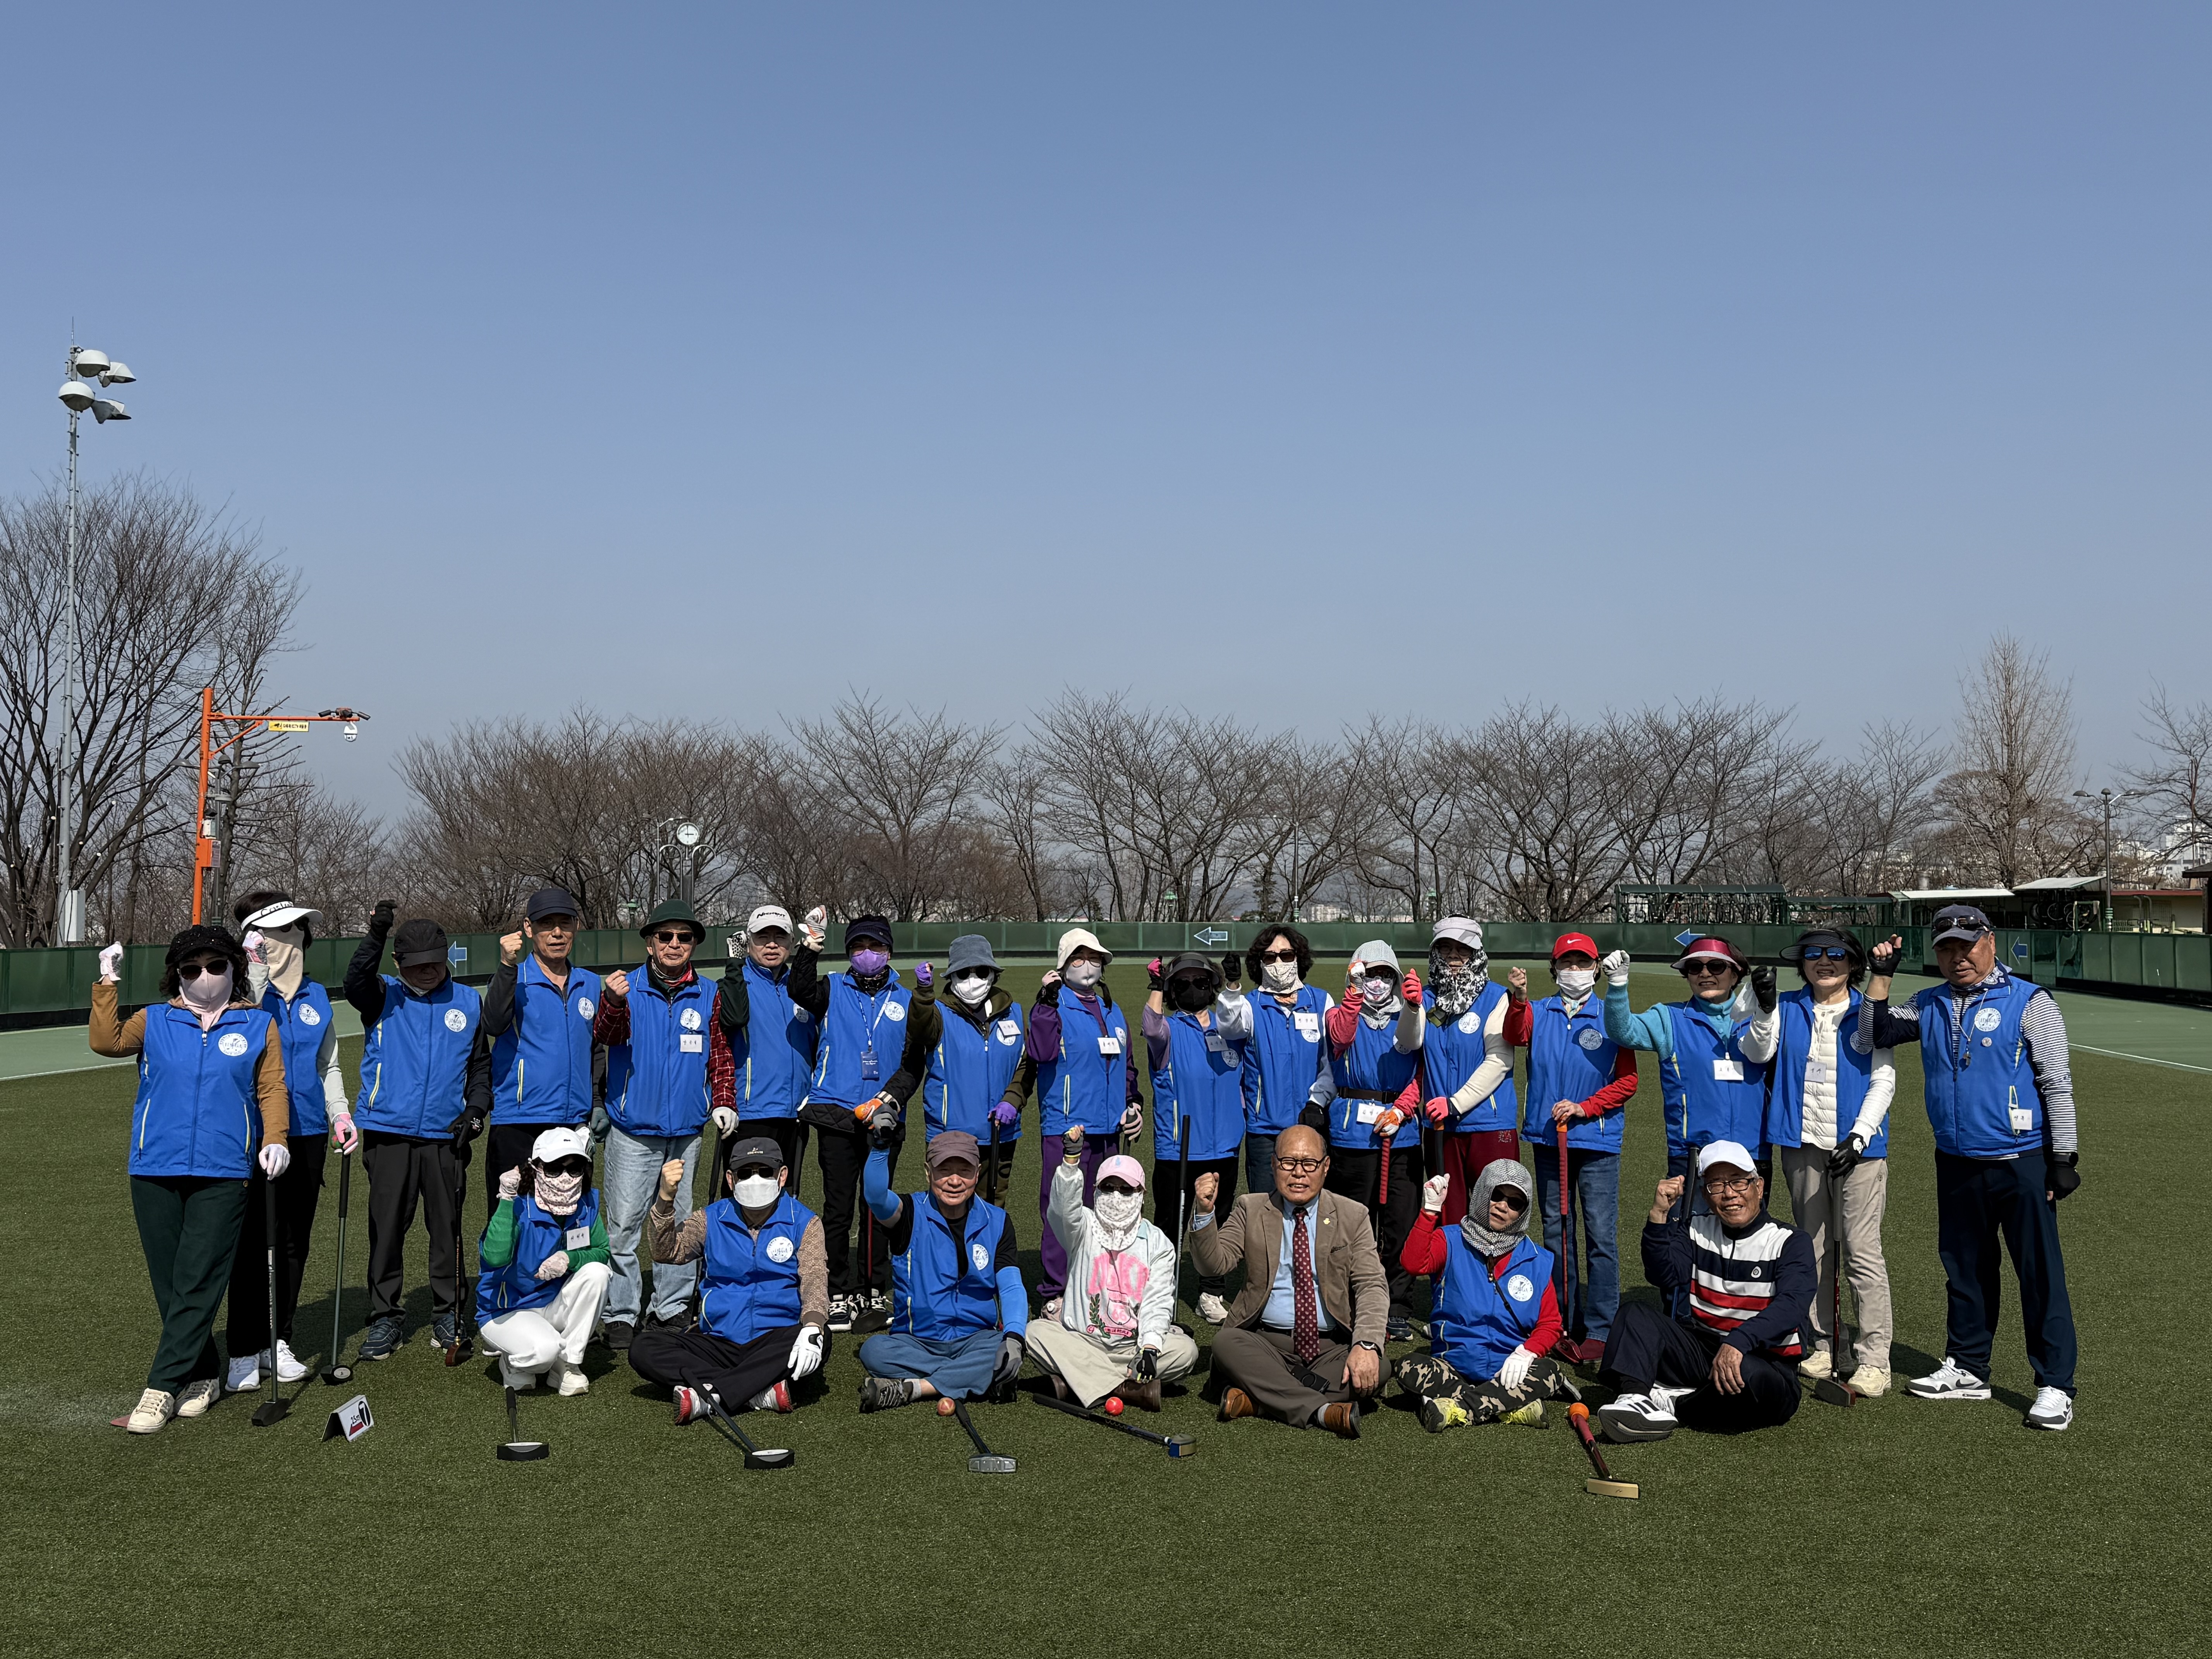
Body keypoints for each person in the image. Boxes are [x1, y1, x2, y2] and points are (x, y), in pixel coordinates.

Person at [1861, 908, 2082, 1430]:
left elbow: (2056, 1081)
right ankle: (1968, 1368)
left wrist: (2064, 1158)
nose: (1957, 957)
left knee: (2039, 1275)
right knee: (1964, 1270)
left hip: (2022, 1161)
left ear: (1990, 942)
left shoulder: (2031, 1001)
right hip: (1957, 1161)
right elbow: (1874, 1034)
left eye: (1967, 946)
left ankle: (2055, 1384)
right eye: (1946, 949)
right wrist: (1882, 976)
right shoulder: (1929, 1002)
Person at [93, 927, 289, 1433]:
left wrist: (276, 1138)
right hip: (154, 1166)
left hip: (225, 1170)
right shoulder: (154, 1020)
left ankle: (161, 1388)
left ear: (234, 969)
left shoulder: (258, 1023)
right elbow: (106, 1042)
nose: (205, 976)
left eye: (216, 966)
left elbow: (271, 1088)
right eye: (191, 968)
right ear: (176, 976)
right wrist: (108, 980)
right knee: (170, 1283)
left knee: (199, 1278)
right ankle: (202, 1375)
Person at [1740, 928, 1896, 1397]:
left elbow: (1884, 1079)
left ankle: (1875, 1359)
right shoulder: (1786, 1007)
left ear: (1854, 964)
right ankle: (1825, 1345)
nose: (1824, 962)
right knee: (1812, 1250)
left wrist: (1860, 1135)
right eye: (1813, 954)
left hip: (1858, 1151)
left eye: (1836, 955)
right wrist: (1764, 1007)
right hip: (1801, 1145)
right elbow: (1757, 1052)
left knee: (1862, 1252)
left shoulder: (1869, 1009)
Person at [344, 901, 491, 1360]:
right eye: (417, 964)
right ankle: (385, 1316)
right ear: (398, 963)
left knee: (447, 1229)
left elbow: (480, 1069)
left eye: (435, 962)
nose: (429, 971)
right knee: (387, 1229)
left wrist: (475, 1112)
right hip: (389, 1131)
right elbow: (354, 981)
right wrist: (375, 935)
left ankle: (448, 1312)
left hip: (447, 1137)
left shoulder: (468, 1001)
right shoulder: (381, 994)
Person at [592, 897, 739, 1353]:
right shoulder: (626, 988)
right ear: (650, 943)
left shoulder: (709, 993)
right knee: (624, 1225)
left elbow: (720, 1055)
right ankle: (621, 1312)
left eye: (684, 937)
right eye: (665, 936)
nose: (675, 944)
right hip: (633, 1130)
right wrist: (612, 1003)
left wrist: (723, 1101)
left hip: (687, 1132)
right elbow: (607, 1035)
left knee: (678, 1222)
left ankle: (671, 1306)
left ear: (694, 944)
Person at [1596, 1141, 1814, 1442]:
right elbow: (1664, 1275)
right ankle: (1634, 1398)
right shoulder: (1696, 1229)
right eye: (1716, 1185)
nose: (1729, 1194)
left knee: (1747, 1374)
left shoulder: (1791, 1241)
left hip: (1767, 1363)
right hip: (1703, 1352)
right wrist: (1659, 1215)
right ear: (1705, 1194)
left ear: (1759, 1187)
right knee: (1635, 1314)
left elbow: (1791, 1307)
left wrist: (1739, 1342)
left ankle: (1674, 1403)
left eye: (1739, 1182)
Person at [223, 896, 353, 1392]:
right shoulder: (242, 994)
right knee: (253, 1244)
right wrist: (255, 970)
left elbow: (328, 1064)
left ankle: (278, 1339)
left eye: (299, 929)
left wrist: (340, 1113)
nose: (294, 938)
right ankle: (244, 1347)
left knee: (294, 1242)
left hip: (310, 1134)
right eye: (283, 930)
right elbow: (250, 1028)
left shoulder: (317, 995)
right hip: (256, 1136)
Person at [1187, 1123, 1389, 1439]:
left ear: (1325, 1167)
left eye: (1309, 1163)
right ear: (1273, 1165)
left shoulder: (1353, 1215)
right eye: (1288, 1163)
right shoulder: (1250, 1208)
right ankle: (1323, 1411)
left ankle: (1258, 1401)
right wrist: (1204, 1213)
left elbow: (1371, 1285)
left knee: (1379, 1366)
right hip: (1267, 1344)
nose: (1298, 1173)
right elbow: (1214, 1264)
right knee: (1226, 1344)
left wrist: (1365, 1345)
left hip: (1331, 1346)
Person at [789, 911, 939, 1331]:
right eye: (859, 946)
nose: (867, 953)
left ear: (889, 951)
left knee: (876, 1205)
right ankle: (837, 1291)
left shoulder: (906, 999)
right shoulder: (832, 987)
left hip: (884, 1116)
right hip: (835, 1112)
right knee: (838, 1208)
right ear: (849, 952)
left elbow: (914, 1063)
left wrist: (887, 1098)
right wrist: (810, 948)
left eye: (875, 946)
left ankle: (872, 1288)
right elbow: (799, 988)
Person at [1505, 931, 1639, 1364]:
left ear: (1596, 970)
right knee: (1556, 1232)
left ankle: (1601, 1327)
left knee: (1600, 1235)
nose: (1575, 970)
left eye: (1583, 963)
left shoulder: (1611, 1015)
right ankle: (1560, 1320)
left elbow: (1628, 1081)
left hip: (1596, 1140)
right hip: (1549, 1139)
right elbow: (1515, 1034)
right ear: (1555, 968)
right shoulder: (1538, 1011)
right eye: (1567, 963)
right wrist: (1519, 999)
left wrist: (1586, 1107)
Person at [629, 1135, 830, 1419]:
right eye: (745, 1173)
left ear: (782, 1176)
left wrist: (813, 1325)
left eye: (765, 1172)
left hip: (775, 1340)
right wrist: (665, 1199)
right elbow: (667, 1252)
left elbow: (815, 1280)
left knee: (820, 1338)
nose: (755, 1179)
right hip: (718, 1341)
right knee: (644, 1348)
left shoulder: (805, 1222)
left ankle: (713, 1394)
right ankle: (756, 1390)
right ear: (731, 1180)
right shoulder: (710, 1218)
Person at [854, 1128, 1028, 1412]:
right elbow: (875, 1197)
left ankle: (914, 1389)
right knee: (873, 1351)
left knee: (1008, 1345)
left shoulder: (998, 1221)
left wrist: (1014, 1336)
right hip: (916, 1343)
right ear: (928, 1172)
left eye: (965, 1171)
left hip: (977, 1340)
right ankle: (974, 1378)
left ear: (978, 1173)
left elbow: (1010, 1286)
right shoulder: (908, 1212)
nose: (955, 1181)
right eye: (944, 1171)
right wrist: (881, 1146)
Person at [1026, 1128, 1199, 1409]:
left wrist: (1150, 1348)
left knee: (1185, 1351)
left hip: (1132, 1348)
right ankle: (1126, 1389)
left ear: (1142, 1194)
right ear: (1095, 1191)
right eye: (1108, 1187)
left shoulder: (1158, 1244)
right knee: (1035, 1333)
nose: (1116, 1196)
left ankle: (1079, 1381)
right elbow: (1062, 1210)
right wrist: (1070, 1162)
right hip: (1081, 1341)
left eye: (1126, 1189)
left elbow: (1158, 1302)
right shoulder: (1083, 1226)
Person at [1394, 1159, 1572, 1431]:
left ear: (1523, 1213)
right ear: (1482, 1193)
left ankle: (1458, 1409)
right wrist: (1430, 1212)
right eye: (1497, 1195)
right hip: (1452, 1367)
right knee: (1408, 1366)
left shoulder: (1537, 1259)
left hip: (1510, 1372)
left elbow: (1551, 1325)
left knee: (1551, 1371)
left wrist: (1527, 1352)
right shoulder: (1450, 1240)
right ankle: (1507, 1406)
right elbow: (1413, 1264)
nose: (1503, 1206)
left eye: (1515, 1203)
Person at [1025, 927, 1144, 1318]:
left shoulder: (1112, 1009)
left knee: (1107, 1210)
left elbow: (1127, 1066)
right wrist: (1045, 1003)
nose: (1088, 965)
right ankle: (1057, 1290)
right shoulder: (1052, 1006)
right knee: (1062, 1210)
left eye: (1094, 958)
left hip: (1110, 1130)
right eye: (1079, 957)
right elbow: (1041, 1052)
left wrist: (1133, 1104)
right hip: (1067, 1128)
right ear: (1063, 965)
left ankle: (1099, 1286)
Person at [1313, 939, 1425, 1336]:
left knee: (1400, 1223)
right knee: (1349, 1224)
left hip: (1401, 1133)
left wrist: (1403, 1109)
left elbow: (1422, 1069)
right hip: (1351, 1135)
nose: (1377, 981)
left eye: (1384, 974)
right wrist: (1353, 995)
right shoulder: (1341, 1013)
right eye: (1369, 974)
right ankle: (1345, 1299)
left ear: (1395, 978)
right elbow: (1340, 1039)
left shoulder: (1411, 1015)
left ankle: (1397, 1304)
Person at [1600, 936, 1769, 1185]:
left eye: (1716, 966)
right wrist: (1617, 985)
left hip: (1753, 1150)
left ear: (1735, 975)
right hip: (1692, 1153)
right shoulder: (1669, 1017)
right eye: (1695, 967)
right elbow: (1623, 1031)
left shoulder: (1764, 1018)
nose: (1705, 973)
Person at [483, 887, 605, 1211]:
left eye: (565, 923)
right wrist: (507, 967)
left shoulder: (590, 984)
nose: (557, 933)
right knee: (511, 1222)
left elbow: (595, 1051)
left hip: (572, 1125)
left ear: (576, 927)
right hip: (519, 1123)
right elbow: (493, 1023)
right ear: (528, 928)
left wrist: (595, 1104)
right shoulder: (515, 977)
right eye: (546, 924)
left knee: (570, 1220)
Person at [1146, 951, 1251, 1324]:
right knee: (1168, 1223)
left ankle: (1212, 1291)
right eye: (1183, 983)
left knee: (1217, 1222)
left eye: (1201, 982)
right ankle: (1160, 1290)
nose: (1193, 989)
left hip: (1223, 1144)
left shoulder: (1229, 1029)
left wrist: (1235, 985)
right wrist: (1156, 987)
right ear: (1173, 991)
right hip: (1179, 1146)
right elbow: (1151, 1027)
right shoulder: (1168, 1029)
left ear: (1212, 987)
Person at [477, 1127, 611, 1395]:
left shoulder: (585, 1204)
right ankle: (512, 1360)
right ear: (536, 1168)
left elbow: (602, 1251)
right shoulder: (517, 1204)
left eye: (574, 1169)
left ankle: (567, 1364)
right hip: (507, 1309)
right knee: (542, 1353)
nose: (565, 1177)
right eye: (554, 1168)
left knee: (598, 1273)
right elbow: (495, 1257)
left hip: (553, 1302)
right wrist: (506, 1200)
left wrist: (569, 1258)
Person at [1415, 918, 1519, 1224]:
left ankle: (1496, 1262)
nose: (1453, 956)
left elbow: (1500, 1060)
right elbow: (1409, 1044)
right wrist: (1410, 1007)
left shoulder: (1496, 997)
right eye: (1445, 948)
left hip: (1489, 1125)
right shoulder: (1425, 998)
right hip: (1440, 1128)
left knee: (1497, 1217)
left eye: (1463, 949)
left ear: (1477, 953)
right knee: (1447, 1216)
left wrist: (1455, 1103)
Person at [920, 934, 1029, 1203]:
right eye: (963, 973)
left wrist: (1013, 1100)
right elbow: (919, 1029)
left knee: (994, 1209)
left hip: (1001, 1133)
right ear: (951, 977)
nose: (973, 980)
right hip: (951, 1134)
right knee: (949, 1208)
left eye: (981, 972)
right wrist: (923, 995)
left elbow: (1026, 1064)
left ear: (993, 975)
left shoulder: (1015, 1013)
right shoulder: (937, 1013)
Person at [712, 903, 818, 1171]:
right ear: (748, 942)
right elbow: (734, 1019)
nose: (772, 944)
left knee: (786, 1191)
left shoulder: (802, 988)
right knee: (746, 1192)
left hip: (796, 1113)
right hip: (750, 1113)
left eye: (780, 936)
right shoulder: (734, 983)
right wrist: (734, 965)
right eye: (763, 937)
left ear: (792, 942)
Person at [1236, 922, 1333, 1197]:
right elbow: (1229, 1028)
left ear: (1298, 958)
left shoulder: (1321, 1001)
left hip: (1311, 1124)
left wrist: (1318, 1102)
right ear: (1260, 963)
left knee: (1311, 1207)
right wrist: (1231, 990)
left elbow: (1331, 1063)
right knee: (1266, 1209)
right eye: (1270, 957)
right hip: (1265, 1130)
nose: (1279, 963)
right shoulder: (1249, 1005)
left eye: (1287, 955)